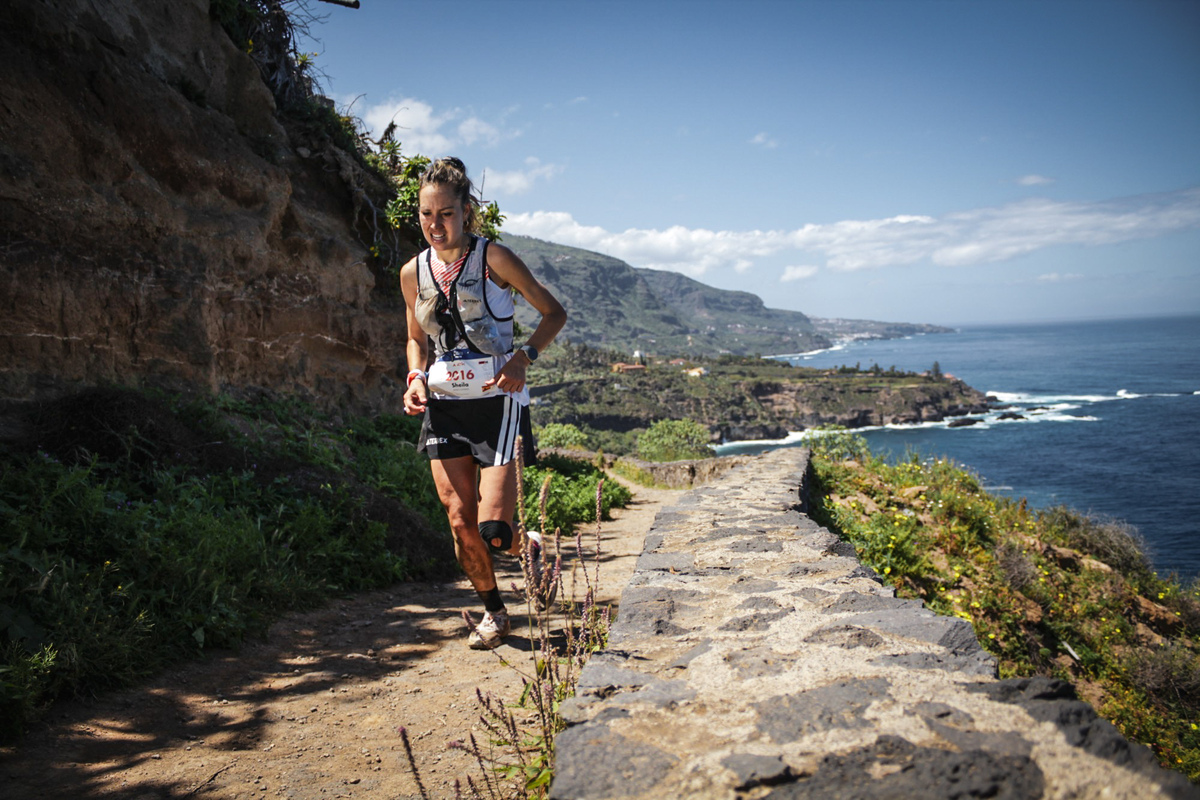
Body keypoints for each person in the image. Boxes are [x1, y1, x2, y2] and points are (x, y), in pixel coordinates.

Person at [400, 157, 567, 650]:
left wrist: (524, 357)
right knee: (459, 520)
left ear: (466, 211)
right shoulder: (412, 272)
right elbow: (415, 338)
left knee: (494, 530)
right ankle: (496, 614)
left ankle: (528, 546)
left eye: (446, 214)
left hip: (500, 402)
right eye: (427, 215)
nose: (435, 225)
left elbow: (553, 313)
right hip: (445, 404)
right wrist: (414, 376)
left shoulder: (494, 258)